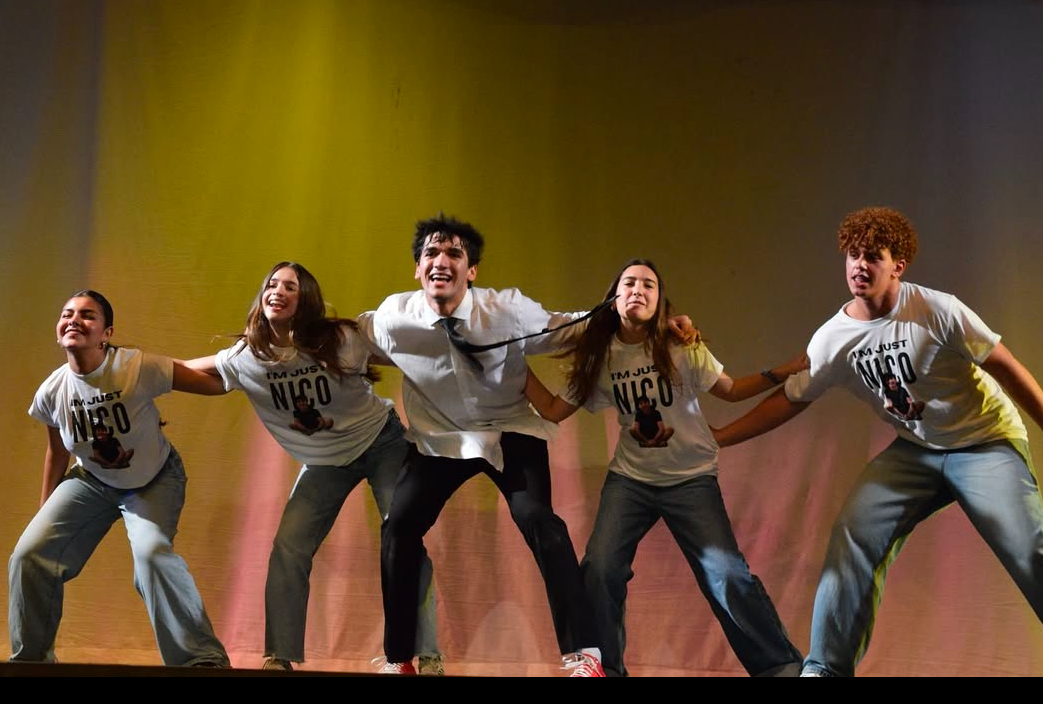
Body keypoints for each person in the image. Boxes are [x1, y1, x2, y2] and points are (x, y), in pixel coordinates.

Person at [358, 214, 697, 676]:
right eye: (431, 254)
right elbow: (347, 336)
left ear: (471, 270)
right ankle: (400, 658)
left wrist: (649, 318)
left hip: (509, 428)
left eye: (454, 254)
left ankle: (585, 655)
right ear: (417, 268)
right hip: (441, 437)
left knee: (539, 519)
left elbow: (569, 328)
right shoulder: (396, 316)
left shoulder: (505, 310)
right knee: (398, 526)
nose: (441, 262)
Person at [713, 206, 1043, 677]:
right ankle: (824, 669)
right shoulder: (833, 338)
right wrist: (723, 437)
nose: (859, 265)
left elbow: (1006, 367)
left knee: (1028, 547)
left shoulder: (936, 310)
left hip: (984, 441)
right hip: (916, 452)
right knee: (854, 535)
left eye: (873, 256)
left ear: (897, 266)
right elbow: (789, 400)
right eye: (852, 255)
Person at [524, 258, 806, 677]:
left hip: (690, 479)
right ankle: (605, 670)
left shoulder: (680, 345)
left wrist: (785, 370)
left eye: (649, 285)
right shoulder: (598, 357)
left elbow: (730, 391)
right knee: (600, 569)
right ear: (613, 298)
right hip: (630, 481)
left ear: (660, 301)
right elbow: (550, 409)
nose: (638, 289)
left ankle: (780, 667)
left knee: (726, 574)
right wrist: (512, 364)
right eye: (629, 283)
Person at [182, 262, 443, 674]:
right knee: (289, 547)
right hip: (325, 462)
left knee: (403, 539)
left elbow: (406, 353)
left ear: (307, 300)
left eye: (291, 287)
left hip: (382, 442)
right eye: (272, 284)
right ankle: (279, 657)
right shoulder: (248, 356)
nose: (278, 291)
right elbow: (189, 369)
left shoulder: (339, 339)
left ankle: (425, 654)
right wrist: (135, 371)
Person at [9, 289, 230, 667]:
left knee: (152, 557)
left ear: (106, 333)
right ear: (58, 328)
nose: (75, 319)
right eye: (67, 313)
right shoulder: (53, 390)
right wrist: (44, 513)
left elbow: (211, 383)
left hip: (153, 479)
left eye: (87, 315)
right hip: (92, 481)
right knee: (29, 554)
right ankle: (31, 662)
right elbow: (58, 452)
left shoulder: (133, 367)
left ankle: (201, 661)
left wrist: (247, 370)